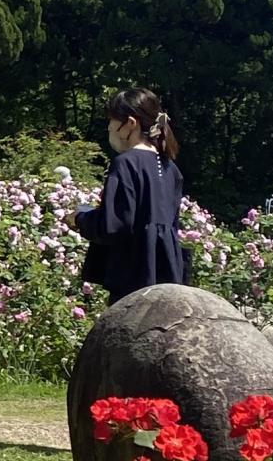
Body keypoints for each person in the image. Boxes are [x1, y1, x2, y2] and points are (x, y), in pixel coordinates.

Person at [75, 88, 188, 303]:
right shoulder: (171, 169)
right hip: (168, 277)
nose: (109, 127)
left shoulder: (125, 163)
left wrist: (79, 219)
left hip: (133, 276)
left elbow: (114, 225)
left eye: (111, 120)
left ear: (130, 123)